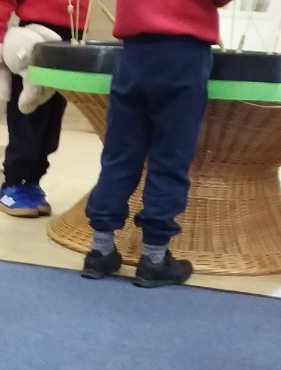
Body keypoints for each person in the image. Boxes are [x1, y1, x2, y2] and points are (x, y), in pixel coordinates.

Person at [82, 0, 233, 287]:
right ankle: (153, 258)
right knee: (170, 157)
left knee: (119, 155)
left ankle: (99, 250)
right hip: (183, 54)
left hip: (134, 52)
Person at [0, 0, 89, 217]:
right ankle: (14, 184)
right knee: (28, 115)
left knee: (52, 119)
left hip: (71, 36)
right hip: (34, 38)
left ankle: (31, 181)